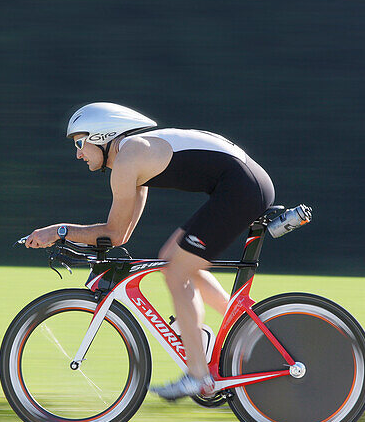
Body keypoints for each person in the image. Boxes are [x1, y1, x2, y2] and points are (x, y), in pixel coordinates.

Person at [24, 102, 275, 400]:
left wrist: (58, 231)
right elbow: (121, 236)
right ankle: (244, 331)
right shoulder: (132, 158)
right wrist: (66, 235)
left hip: (242, 188)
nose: (78, 153)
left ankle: (198, 376)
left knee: (177, 273)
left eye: (81, 142)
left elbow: (113, 233)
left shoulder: (130, 157)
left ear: (103, 136)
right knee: (172, 261)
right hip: (241, 185)